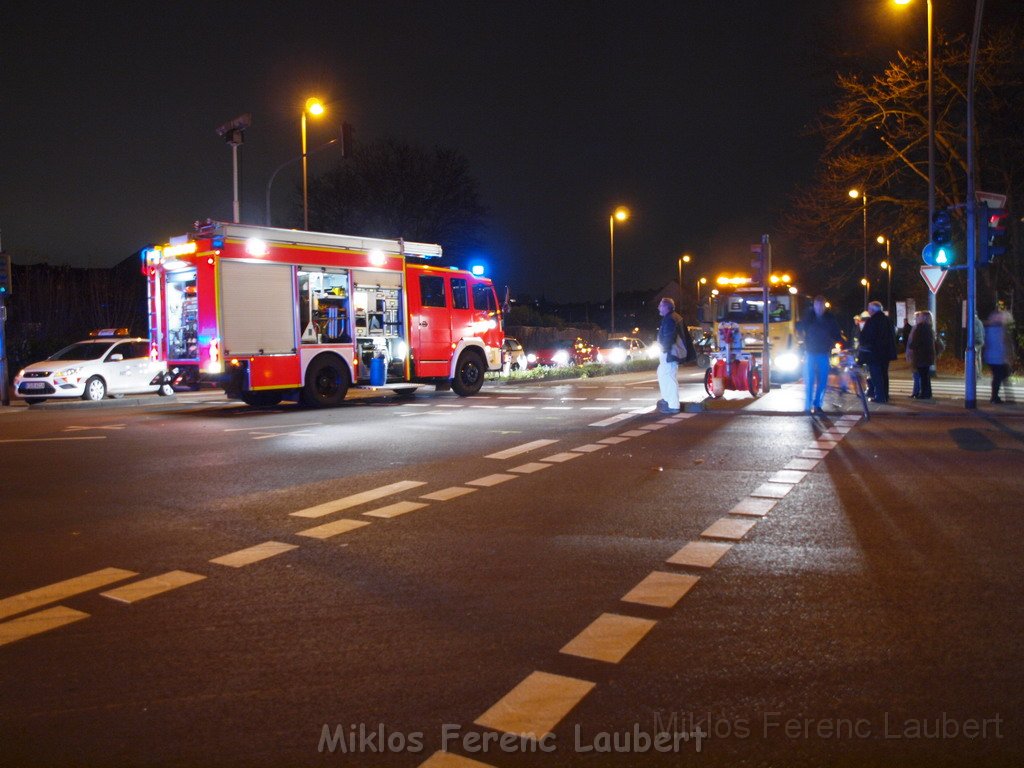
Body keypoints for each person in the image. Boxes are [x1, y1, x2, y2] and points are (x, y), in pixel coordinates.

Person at [798, 295, 842, 414]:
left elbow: (836, 333)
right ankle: (808, 406)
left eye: (821, 306)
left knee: (822, 381)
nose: (819, 308)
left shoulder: (829, 318)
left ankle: (817, 405)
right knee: (810, 380)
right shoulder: (809, 317)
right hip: (811, 352)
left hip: (823, 352)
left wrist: (842, 342)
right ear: (814, 305)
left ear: (824, 306)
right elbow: (800, 328)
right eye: (817, 306)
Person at [858, 301, 898, 404]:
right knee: (884, 374)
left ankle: (880, 396)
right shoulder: (888, 320)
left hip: (875, 353)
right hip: (886, 353)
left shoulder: (872, 321)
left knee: (876, 375)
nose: (868, 311)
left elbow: (866, 337)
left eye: (869, 309)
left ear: (872, 310)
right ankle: (885, 394)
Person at [655, 297, 686, 414]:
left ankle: (673, 405)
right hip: (671, 352)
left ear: (666, 307)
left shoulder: (669, 319)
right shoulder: (673, 317)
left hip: (669, 353)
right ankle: (668, 401)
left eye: (660, 305)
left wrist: (664, 349)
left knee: (668, 376)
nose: (658, 307)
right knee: (664, 374)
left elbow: (669, 336)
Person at [984, 302, 1016, 404]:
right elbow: (1005, 344)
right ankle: (996, 397)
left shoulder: (989, 329)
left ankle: (998, 397)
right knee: (1001, 376)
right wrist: (1008, 356)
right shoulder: (1001, 330)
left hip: (991, 357)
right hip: (999, 357)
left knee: (999, 376)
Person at [906, 311, 937, 399]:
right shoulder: (929, 328)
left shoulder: (920, 328)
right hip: (927, 355)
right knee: (925, 376)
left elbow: (916, 342)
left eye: (919, 317)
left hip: (921, 355)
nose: (917, 318)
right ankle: (927, 393)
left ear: (923, 318)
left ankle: (924, 393)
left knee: (923, 376)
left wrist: (911, 346)